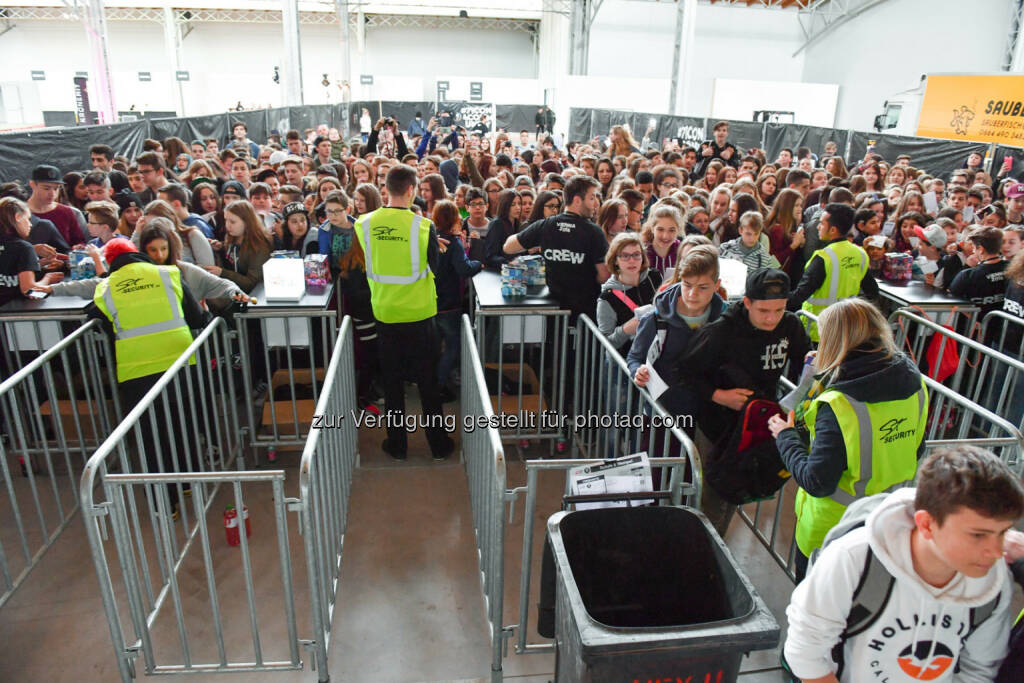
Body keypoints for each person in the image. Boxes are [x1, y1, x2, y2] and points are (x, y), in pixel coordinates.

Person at [783, 446, 1022, 683]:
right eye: (978, 535)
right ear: (927, 524)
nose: (994, 551)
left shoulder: (992, 582)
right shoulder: (855, 559)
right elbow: (806, 651)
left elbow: (980, 671)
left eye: (1003, 533)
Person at [768, 297, 928, 580]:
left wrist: (785, 437)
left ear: (835, 341)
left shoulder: (839, 405)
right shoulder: (915, 383)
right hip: (887, 522)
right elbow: (915, 449)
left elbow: (817, 480)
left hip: (832, 530)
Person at [677, 269, 812, 535]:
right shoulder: (720, 332)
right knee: (712, 495)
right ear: (747, 302)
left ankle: (718, 546)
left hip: (759, 424)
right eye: (763, 310)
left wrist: (813, 363)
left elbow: (802, 361)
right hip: (718, 427)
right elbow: (684, 372)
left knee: (738, 490)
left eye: (779, 309)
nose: (772, 318)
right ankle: (702, 547)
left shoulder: (791, 325)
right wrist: (719, 395)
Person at [87, 238, 207, 513]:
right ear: (138, 255)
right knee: (182, 424)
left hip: (136, 369)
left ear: (110, 262)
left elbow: (104, 326)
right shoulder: (168, 274)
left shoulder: (105, 287)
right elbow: (197, 318)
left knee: (152, 437)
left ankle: (165, 504)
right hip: (178, 362)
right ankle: (188, 481)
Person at [354, 164, 454, 461]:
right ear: (411, 190)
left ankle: (397, 445)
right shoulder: (423, 227)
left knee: (393, 384)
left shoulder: (364, 223)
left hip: (384, 313)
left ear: (386, 188)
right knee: (428, 383)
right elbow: (433, 269)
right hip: (421, 315)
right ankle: (438, 444)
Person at [628, 244, 725, 422]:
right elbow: (634, 357)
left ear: (716, 285)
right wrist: (638, 371)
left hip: (706, 416)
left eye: (703, 287)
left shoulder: (725, 320)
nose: (692, 294)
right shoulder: (655, 318)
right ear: (680, 279)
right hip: (661, 412)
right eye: (687, 285)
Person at [502, 174, 609, 321]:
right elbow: (604, 276)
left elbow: (508, 247)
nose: (596, 204)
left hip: (553, 312)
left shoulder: (546, 225)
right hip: (584, 314)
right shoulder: (594, 232)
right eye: (592, 198)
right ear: (577, 200)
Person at [788, 203, 878, 342]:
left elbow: (800, 295)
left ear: (833, 230)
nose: (818, 227)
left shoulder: (824, 257)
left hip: (816, 329)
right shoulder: (860, 253)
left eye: (822, 224)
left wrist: (774, 300)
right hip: (845, 329)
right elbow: (872, 292)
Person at [432, 199, 482, 400]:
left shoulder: (432, 240)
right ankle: (440, 385)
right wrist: (479, 264)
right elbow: (464, 269)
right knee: (453, 347)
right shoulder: (452, 244)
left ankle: (431, 384)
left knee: (435, 348)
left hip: (431, 302)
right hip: (449, 304)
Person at [596, 232, 663, 358]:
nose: (631, 261)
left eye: (636, 255)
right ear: (615, 260)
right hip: (623, 364)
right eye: (625, 256)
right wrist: (625, 330)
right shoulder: (607, 298)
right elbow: (605, 343)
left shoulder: (654, 277)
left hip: (655, 357)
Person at [0, 197, 63, 306]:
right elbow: (30, 291)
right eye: (28, 219)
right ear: (18, 217)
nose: (30, 225)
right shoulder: (24, 248)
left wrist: (37, 263)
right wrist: (48, 279)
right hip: (14, 312)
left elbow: (8, 269)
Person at [950, 227, 1007, 320]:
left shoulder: (967, 275)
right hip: (1004, 327)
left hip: (973, 329)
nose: (973, 251)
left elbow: (951, 301)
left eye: (973, 248)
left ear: (980, 249)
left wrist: (972, 321)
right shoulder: (1012, 268)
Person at [28, 164, 86, 247]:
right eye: (46, 188)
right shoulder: (21, 212)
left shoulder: (67, 212)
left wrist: (78, 247)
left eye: (56, 188)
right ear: (32, 185)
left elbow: (79, 241)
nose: (52, 193)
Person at [719, 210, 781, 275]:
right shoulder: (725, 248)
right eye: (748, 234)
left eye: (756, 234)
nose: (752, 238)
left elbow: (773, 278)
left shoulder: (766, 259)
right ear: (740, 230)